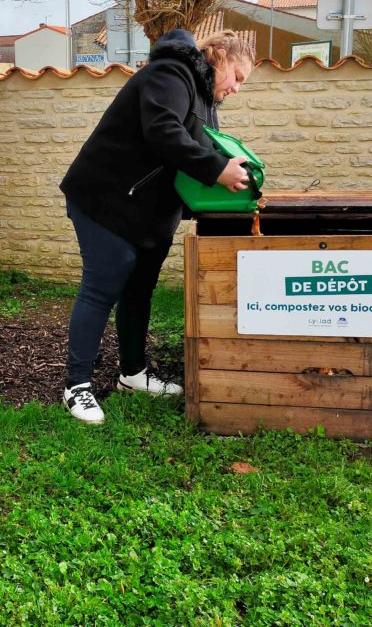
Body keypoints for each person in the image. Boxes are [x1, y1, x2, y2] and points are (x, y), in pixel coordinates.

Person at [58, 28, 255, 424]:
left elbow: (198, 149)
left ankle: (132, 374)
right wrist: (218, 170)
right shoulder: (171, 74)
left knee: (138, 291)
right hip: (106, 199)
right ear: (219, 58)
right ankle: (76, 385)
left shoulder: (202, 95)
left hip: (147, 210)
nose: (237, 88)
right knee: (101, 288)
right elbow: (164, 132)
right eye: (238, 77)